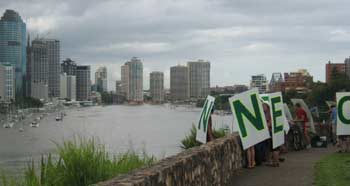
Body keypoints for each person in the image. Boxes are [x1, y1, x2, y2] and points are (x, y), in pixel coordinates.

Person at [263, 102, 280, 167]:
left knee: (273, 148)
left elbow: (270, 124)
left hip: (271, 132)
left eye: (263, 106)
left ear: (267, 107)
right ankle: (276, 162)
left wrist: (264, 126)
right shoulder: (272, 112)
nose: (262, 108)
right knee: (274, 148)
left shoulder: (268, 114)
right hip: (275, 131)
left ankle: (274, 163)